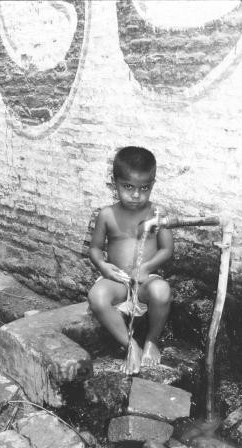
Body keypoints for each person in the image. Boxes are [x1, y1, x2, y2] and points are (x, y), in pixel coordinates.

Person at [87, 146, 174, 375]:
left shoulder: (157, 212)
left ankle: (151, 341)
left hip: (145, 280)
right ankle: (130, 344)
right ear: (114, 183)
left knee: (162, 291)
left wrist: (146, 267)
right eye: (128, 187)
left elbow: (167, 249)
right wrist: (104, 267)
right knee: (96, 296)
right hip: (117, 280)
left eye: (144, 188)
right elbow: (95, 249)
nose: (136, 195)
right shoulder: (106, 214)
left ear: (153, 184)